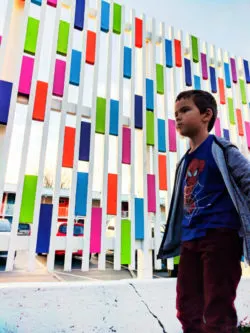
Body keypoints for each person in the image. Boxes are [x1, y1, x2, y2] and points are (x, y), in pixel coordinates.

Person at [157, 89, 250, 333]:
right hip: (190, 240)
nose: (178, 117)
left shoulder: (221, 148)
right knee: (187, 307)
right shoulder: (184, 161)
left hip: (220, 237)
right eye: (175, 113)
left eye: (185, 110)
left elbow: (248, 181)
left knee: (217, 308)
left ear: (206, 115)